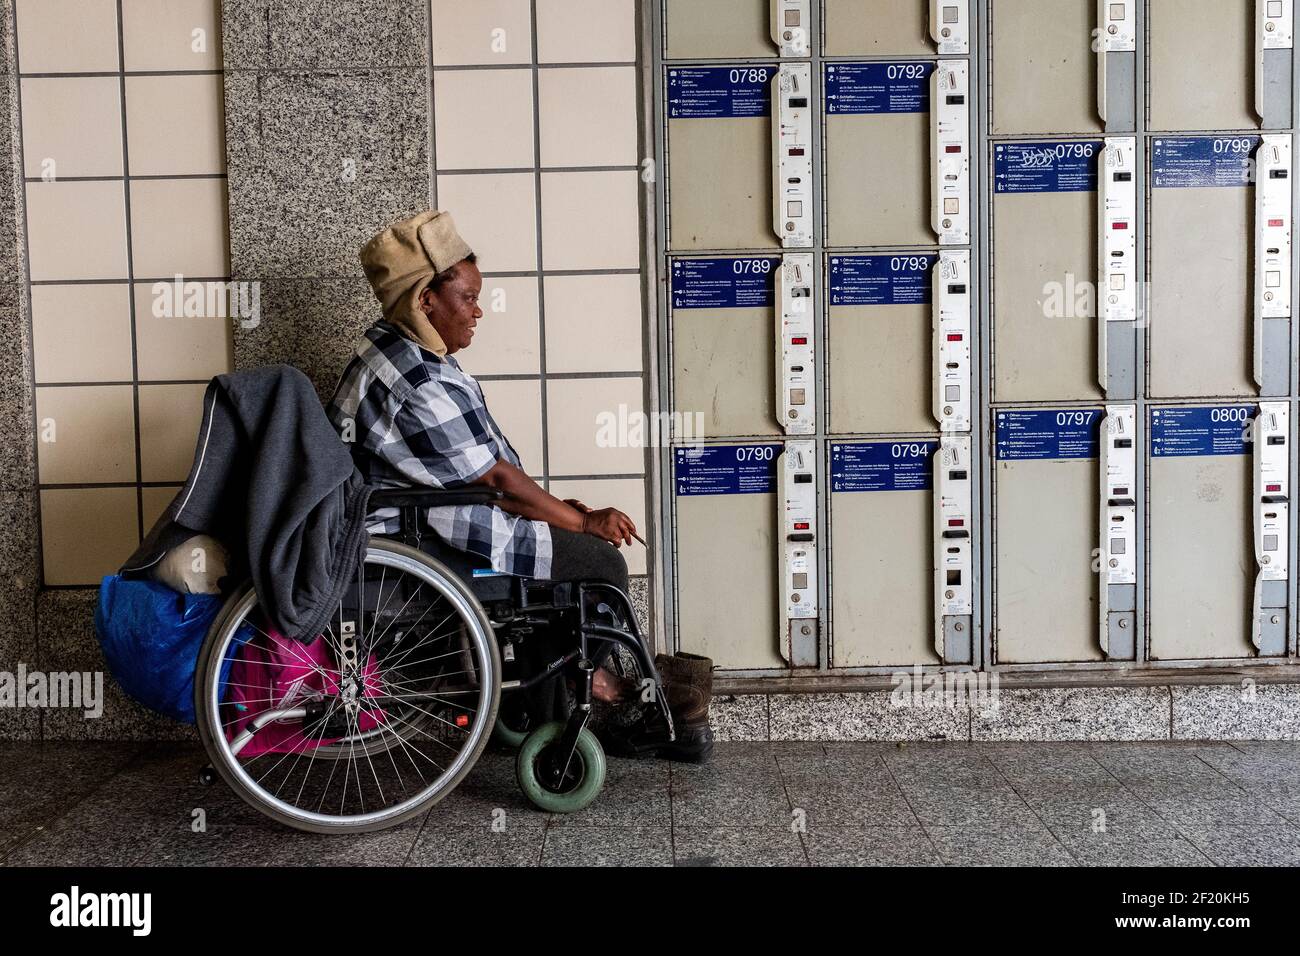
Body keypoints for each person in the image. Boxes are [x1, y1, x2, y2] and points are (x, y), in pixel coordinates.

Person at [327, 210, 713, 762]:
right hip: (422, 547)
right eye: (466, 298)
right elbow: (496, 479)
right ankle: (607, 697)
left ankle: (561, 704)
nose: (478, 311)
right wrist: (580, 521)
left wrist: (555, 512)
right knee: (599, 566)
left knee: (566, 562)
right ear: (425, 301)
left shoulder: (394, 354)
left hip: (427, 527)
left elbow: (487, 473)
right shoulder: (416, 381)